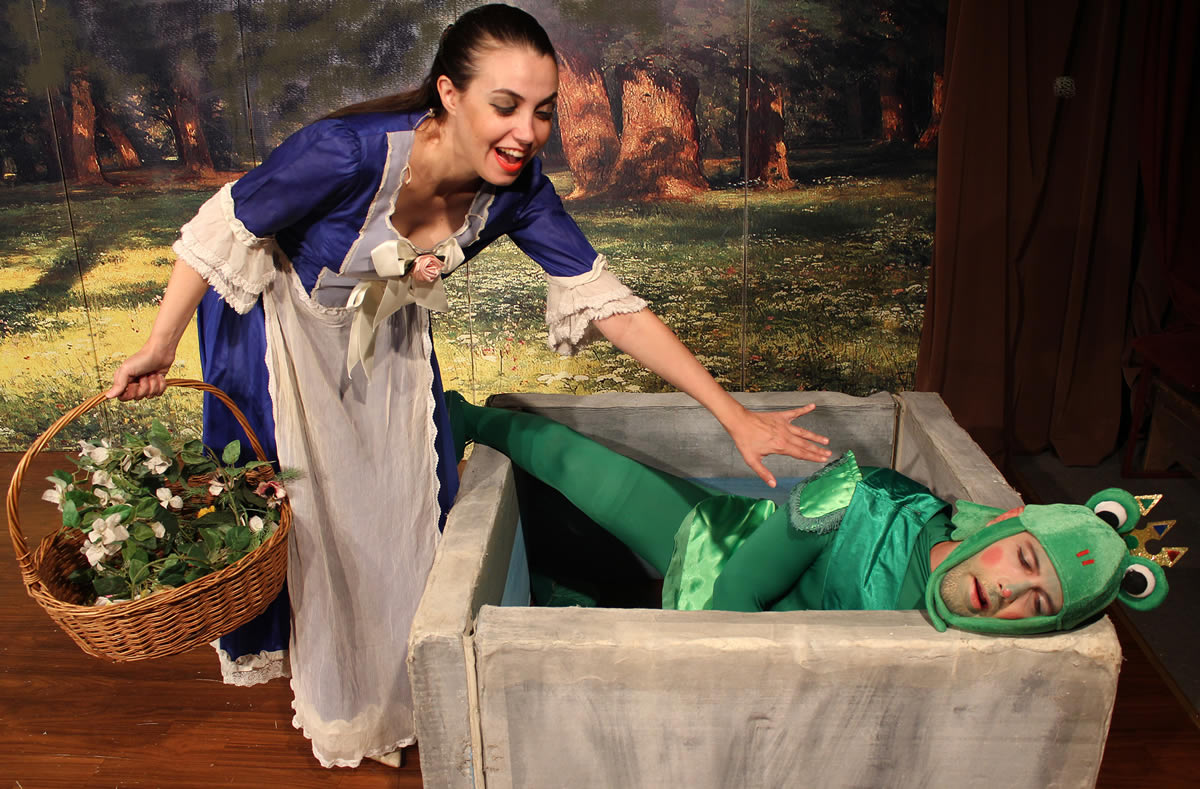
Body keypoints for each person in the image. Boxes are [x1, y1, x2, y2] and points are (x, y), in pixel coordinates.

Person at [104, 3, 832, 769]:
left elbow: (612, 305)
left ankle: (407, 689)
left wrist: (731, 416)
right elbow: (222, 226)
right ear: (449, 94)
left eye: (543, 111)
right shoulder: (347, 153)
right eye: (505, 105)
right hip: (283, 337)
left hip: (384, 333)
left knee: (403, 506)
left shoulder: (516, 190)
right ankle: (343, 699)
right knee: (315, 519)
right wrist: (159, 345)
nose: (527, 131)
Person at [446, 391, 1169, 632]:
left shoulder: (990, 627)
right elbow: (735, 596)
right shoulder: (864, 499)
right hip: (730, 556)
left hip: (782, 617)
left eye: (1038, 601)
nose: (1009, 589)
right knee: (598, 475)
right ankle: (469, 416)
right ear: (1007, 525)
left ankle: (567, 591)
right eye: (1025, 560)